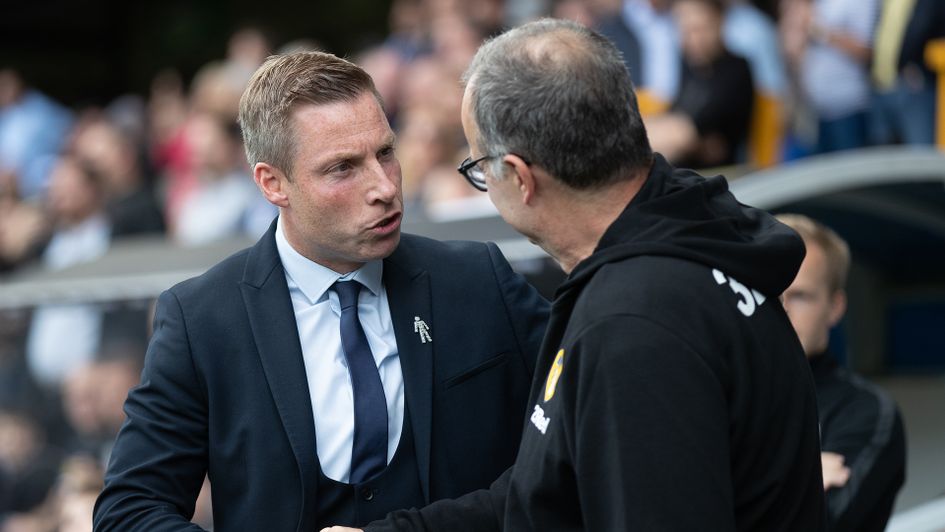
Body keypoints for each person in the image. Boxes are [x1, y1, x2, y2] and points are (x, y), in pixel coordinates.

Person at [327, 18, 826, 532]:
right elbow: (551, 491)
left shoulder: (635, 326)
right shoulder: (691, 247)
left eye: (478, 167)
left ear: (520, 177)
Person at [93, 51, 549, 531]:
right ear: (273, 184)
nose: (384, 187)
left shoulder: (477, 280)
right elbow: (129, 511)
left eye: (386, 152)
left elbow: (575, 437)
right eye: (343, 168)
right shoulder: (202, 319)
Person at [777, 214, 906, 532]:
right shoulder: (713, 390)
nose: (780, 307)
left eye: (800, 296)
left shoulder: (866, 411)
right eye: (768, 290)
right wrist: (801, 477)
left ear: (835, 307)